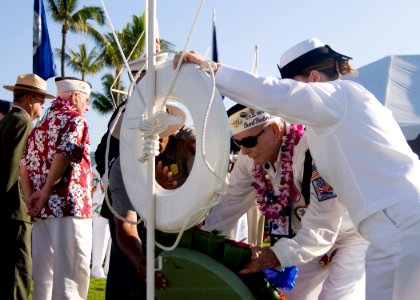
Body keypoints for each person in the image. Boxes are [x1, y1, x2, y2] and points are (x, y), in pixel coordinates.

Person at [175, 38, 420, 299]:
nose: (243, 150)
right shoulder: (323, 128)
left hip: (392, 223)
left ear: (313, 79)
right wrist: (193, 241)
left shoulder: (339, 96)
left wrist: (214, 70)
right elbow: (230, 206)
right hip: (376, 228)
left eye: (293, 86)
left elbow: (275, 95)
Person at [201, 104, 367, 299]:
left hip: (352, 234)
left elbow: (324, 227)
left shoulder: (312, 154)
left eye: (248, 141)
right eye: (237, 143)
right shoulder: (248, 159)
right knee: (289, 296)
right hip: (307, 234)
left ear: (274, 129)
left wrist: (273, 256)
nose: (243, 151)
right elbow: (230, 203)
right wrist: (202, 235)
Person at [20, 76, 93, 300]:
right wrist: (45, 193)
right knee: (70, 280)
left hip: (42, 214)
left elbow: (24, 167)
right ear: (75, 96)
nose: (88, 107)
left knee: (44, 281)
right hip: (70, 209)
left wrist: (33, 198)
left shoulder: (39, 125)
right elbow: (64, 154)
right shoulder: (75, 120)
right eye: (87, 100)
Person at [0, 74, 54, 300]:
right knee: (18, 275)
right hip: (15, 210)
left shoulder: (7, 120)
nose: (44, 105)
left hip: (10, 210)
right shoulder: (23, 123)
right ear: (30, 99)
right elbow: (13, 168)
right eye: (42, 99)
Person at [90, 166, 111, 278]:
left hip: (112, 206)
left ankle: (107, 268)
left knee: (110, 239)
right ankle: (96, 268)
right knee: (100, 236)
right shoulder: (96, 168)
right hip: (99, 206)